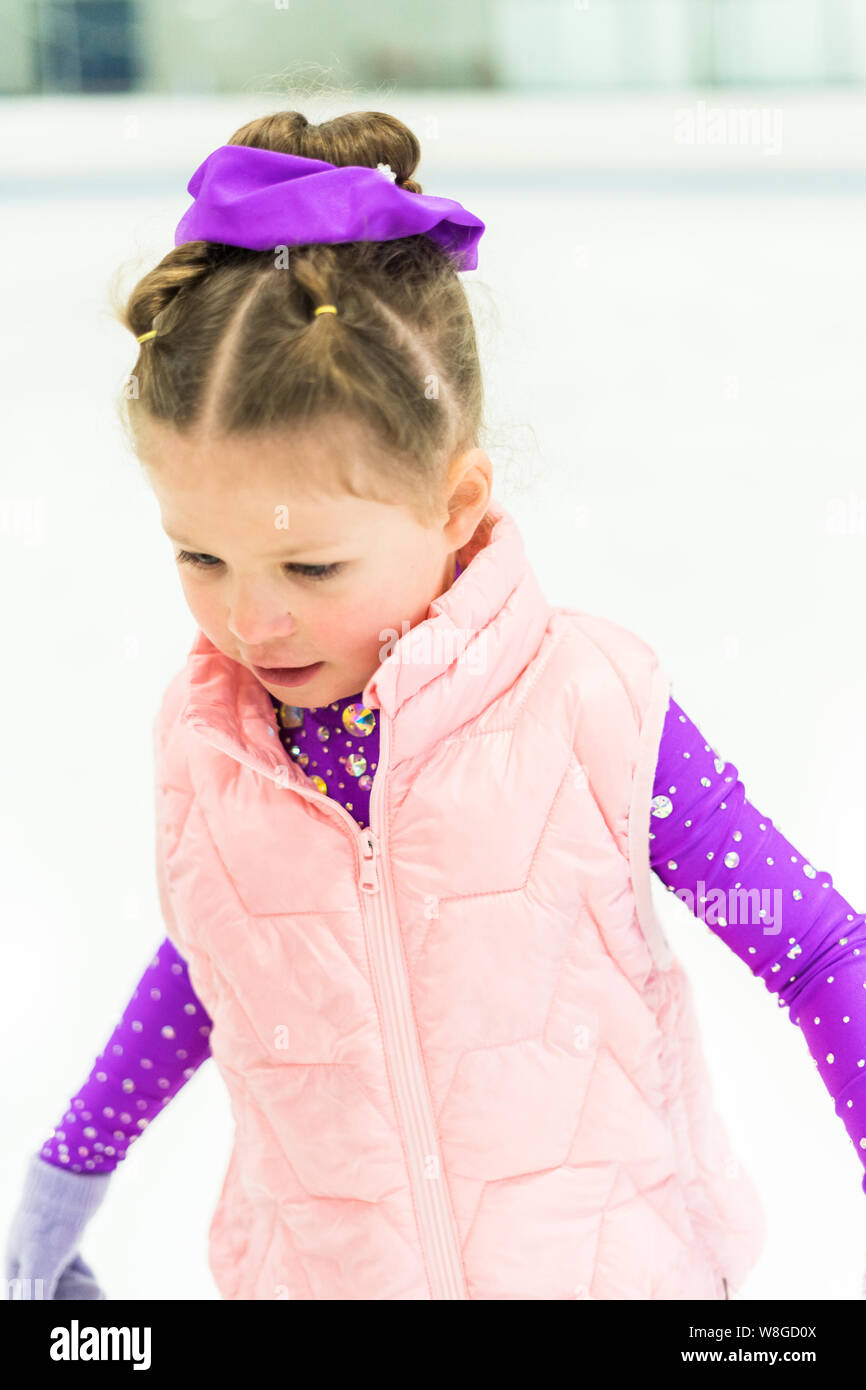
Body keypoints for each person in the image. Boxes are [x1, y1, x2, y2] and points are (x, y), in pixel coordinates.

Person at [6, 108, 866, 1302]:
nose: (248, 623)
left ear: (455, 504)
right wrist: (72, 1165)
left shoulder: (587, 714)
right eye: (198, 557)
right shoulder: (211, 744)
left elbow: (818, 949)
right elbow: (228, 941)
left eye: (310, 568)